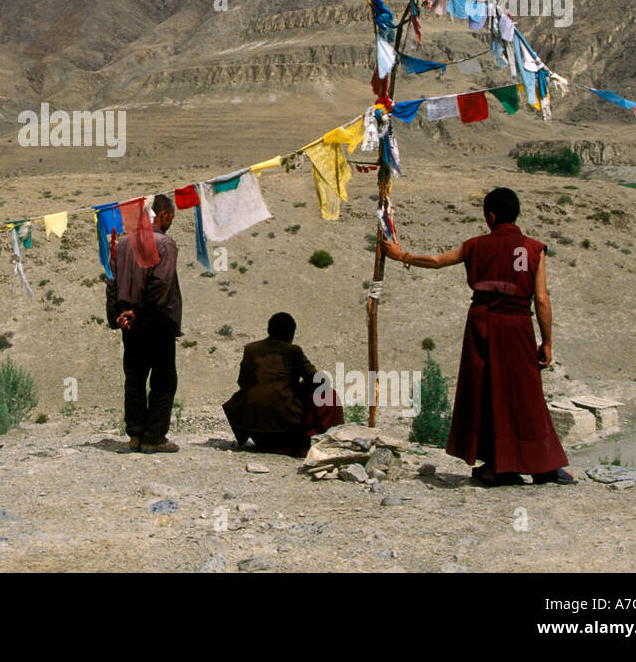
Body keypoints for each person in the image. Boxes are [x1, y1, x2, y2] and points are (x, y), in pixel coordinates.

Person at [382, 187, 574, 486]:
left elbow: (436, 261)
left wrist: (400, 255)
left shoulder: (475, 245)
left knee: (487, 392)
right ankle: (543, 466)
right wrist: (547, 342)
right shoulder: (535, 248)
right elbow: (542, 299)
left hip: (483, 324)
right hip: (518, 326)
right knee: (526, 394)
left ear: (491, 216)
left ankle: (499, 466)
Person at [106, 194, 182, 454]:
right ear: (163, 215)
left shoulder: (123, 244)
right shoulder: (165, 244)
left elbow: (112, 282)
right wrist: (139, 311)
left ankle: (135, 435)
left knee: (135, 379)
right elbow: (161, 285)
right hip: (156, 322)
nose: (170, 221)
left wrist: (119, 314)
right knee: (163, 380)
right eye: (170, 216)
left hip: (130, 325)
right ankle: (154, 437)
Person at [222, 312, 344, 455]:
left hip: (251, 426)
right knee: (329, 395)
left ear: (269, 330)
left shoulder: (251, 349)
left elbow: (242, 381)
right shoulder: (292, 350)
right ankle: (315, 440)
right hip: (283, 426)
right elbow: (320, 381)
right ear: (291, 333)